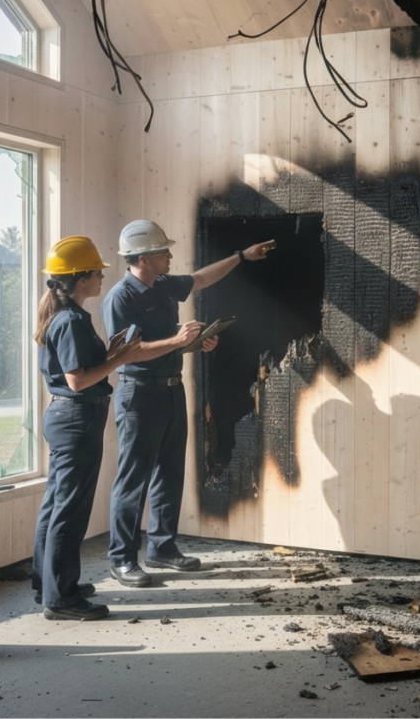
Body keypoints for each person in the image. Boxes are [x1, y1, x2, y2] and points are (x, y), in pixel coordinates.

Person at [102, 219, 274, 587]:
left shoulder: (162, 284)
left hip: (170, 389)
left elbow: (200, 278)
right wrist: (179, 340)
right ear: (144, 257)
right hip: (139, 392)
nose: (169, 255)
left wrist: (241, 257)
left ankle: (162, 548)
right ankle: (122, 559)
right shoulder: (121, 297)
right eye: (163, 251)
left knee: (169, 471)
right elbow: (127, 353)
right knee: (133, 478)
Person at [32, 235, 143, 619]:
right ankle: (61, 598)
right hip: (77, 419)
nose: (101, 279)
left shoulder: (66, 317)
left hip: (67, 418)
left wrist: (110, 354)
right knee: (70, 510)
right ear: (81, 280)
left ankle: (47, 584)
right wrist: (122, 358)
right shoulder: (72, 320)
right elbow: (78, 380)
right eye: (97, 273)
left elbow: (78, 372)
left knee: (55, 505)